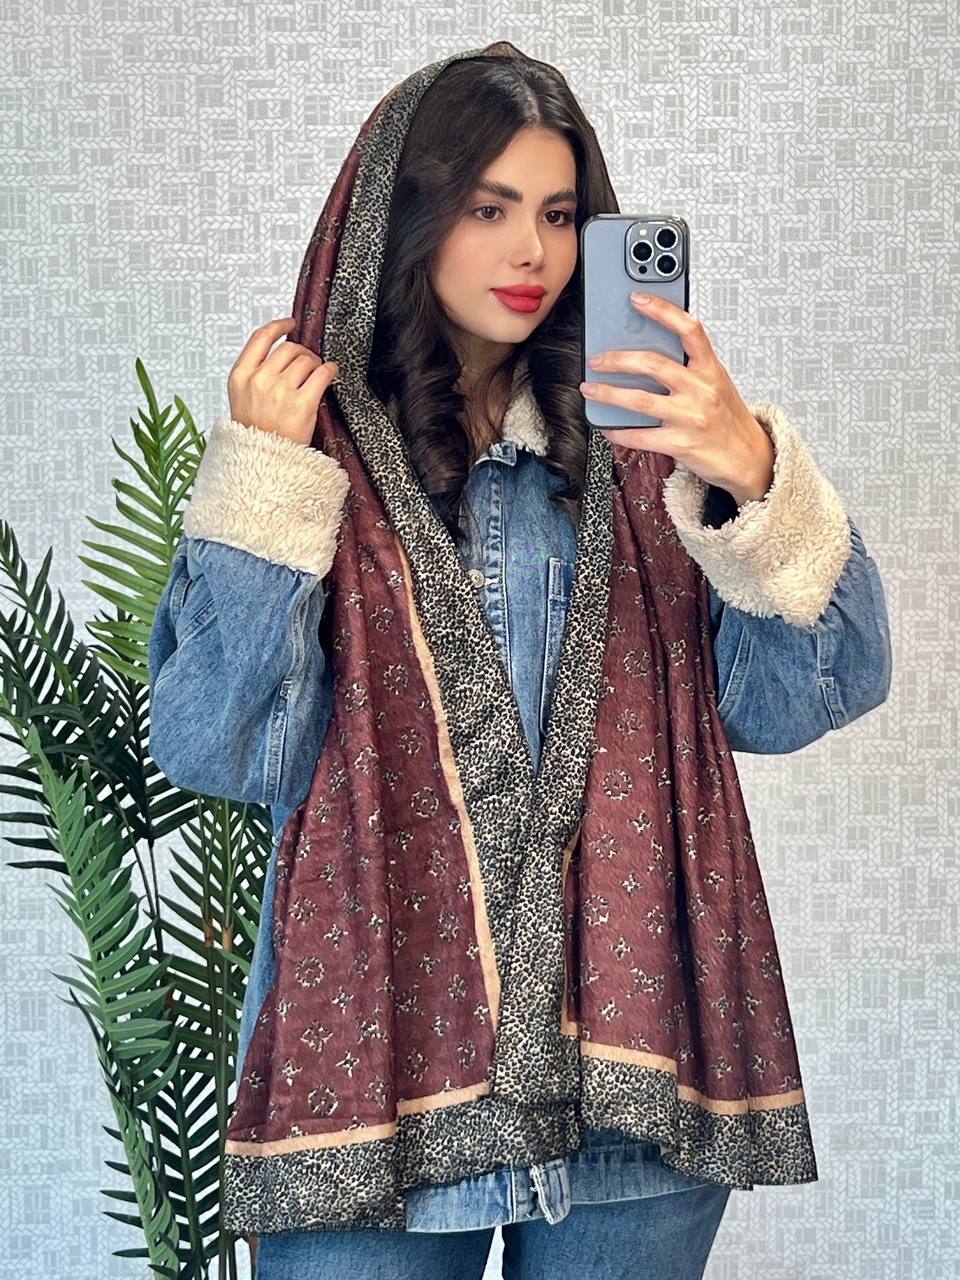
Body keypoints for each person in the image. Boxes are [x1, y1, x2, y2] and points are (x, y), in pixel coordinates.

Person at [147, 41, 892, 1280]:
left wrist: (753, 475)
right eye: (487, 210)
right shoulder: (311, 455)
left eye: (556, 214)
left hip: (633, 1085)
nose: (531, 252)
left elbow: (813, 689)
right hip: (376, 1087)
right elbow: (222, 746)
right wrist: (267, 484)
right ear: (407, 218)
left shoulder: (651, 453)